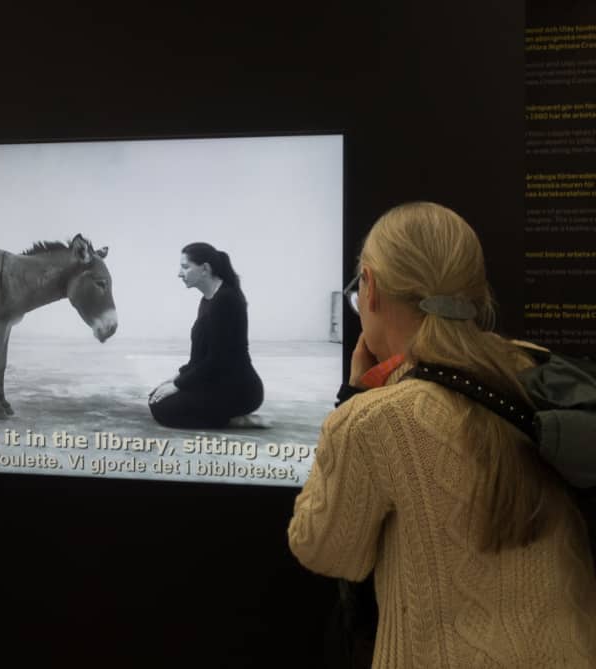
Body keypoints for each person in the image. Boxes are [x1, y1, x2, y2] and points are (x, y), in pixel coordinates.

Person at [288, 202, 596, 667]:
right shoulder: (538, 370)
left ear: (369, 288)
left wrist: (352, 399)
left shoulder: (374, 420)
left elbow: (325, 549)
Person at [148, 242, 265, 429]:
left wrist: (179, 385)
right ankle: (225, 416)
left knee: (163, 409)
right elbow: (199, 358)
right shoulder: (207, 299)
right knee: (156, 397)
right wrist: (176, 377)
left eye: (185, 267)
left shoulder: (227, 300)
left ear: (205, 269)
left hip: (238, 389)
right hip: (215, 381)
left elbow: (217, 360)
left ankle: (232, 419)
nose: (179, 273)